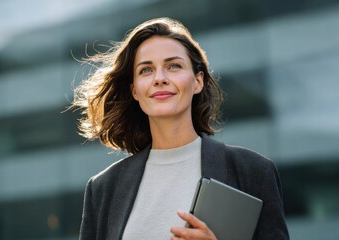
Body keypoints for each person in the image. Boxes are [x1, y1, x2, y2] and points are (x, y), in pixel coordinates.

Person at [72, 17, 289, 240]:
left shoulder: (252, 171)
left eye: (173, 66)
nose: (160, 78)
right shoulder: (103, 188)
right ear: (135, 90)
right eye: (146, 70)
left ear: (198, 81)